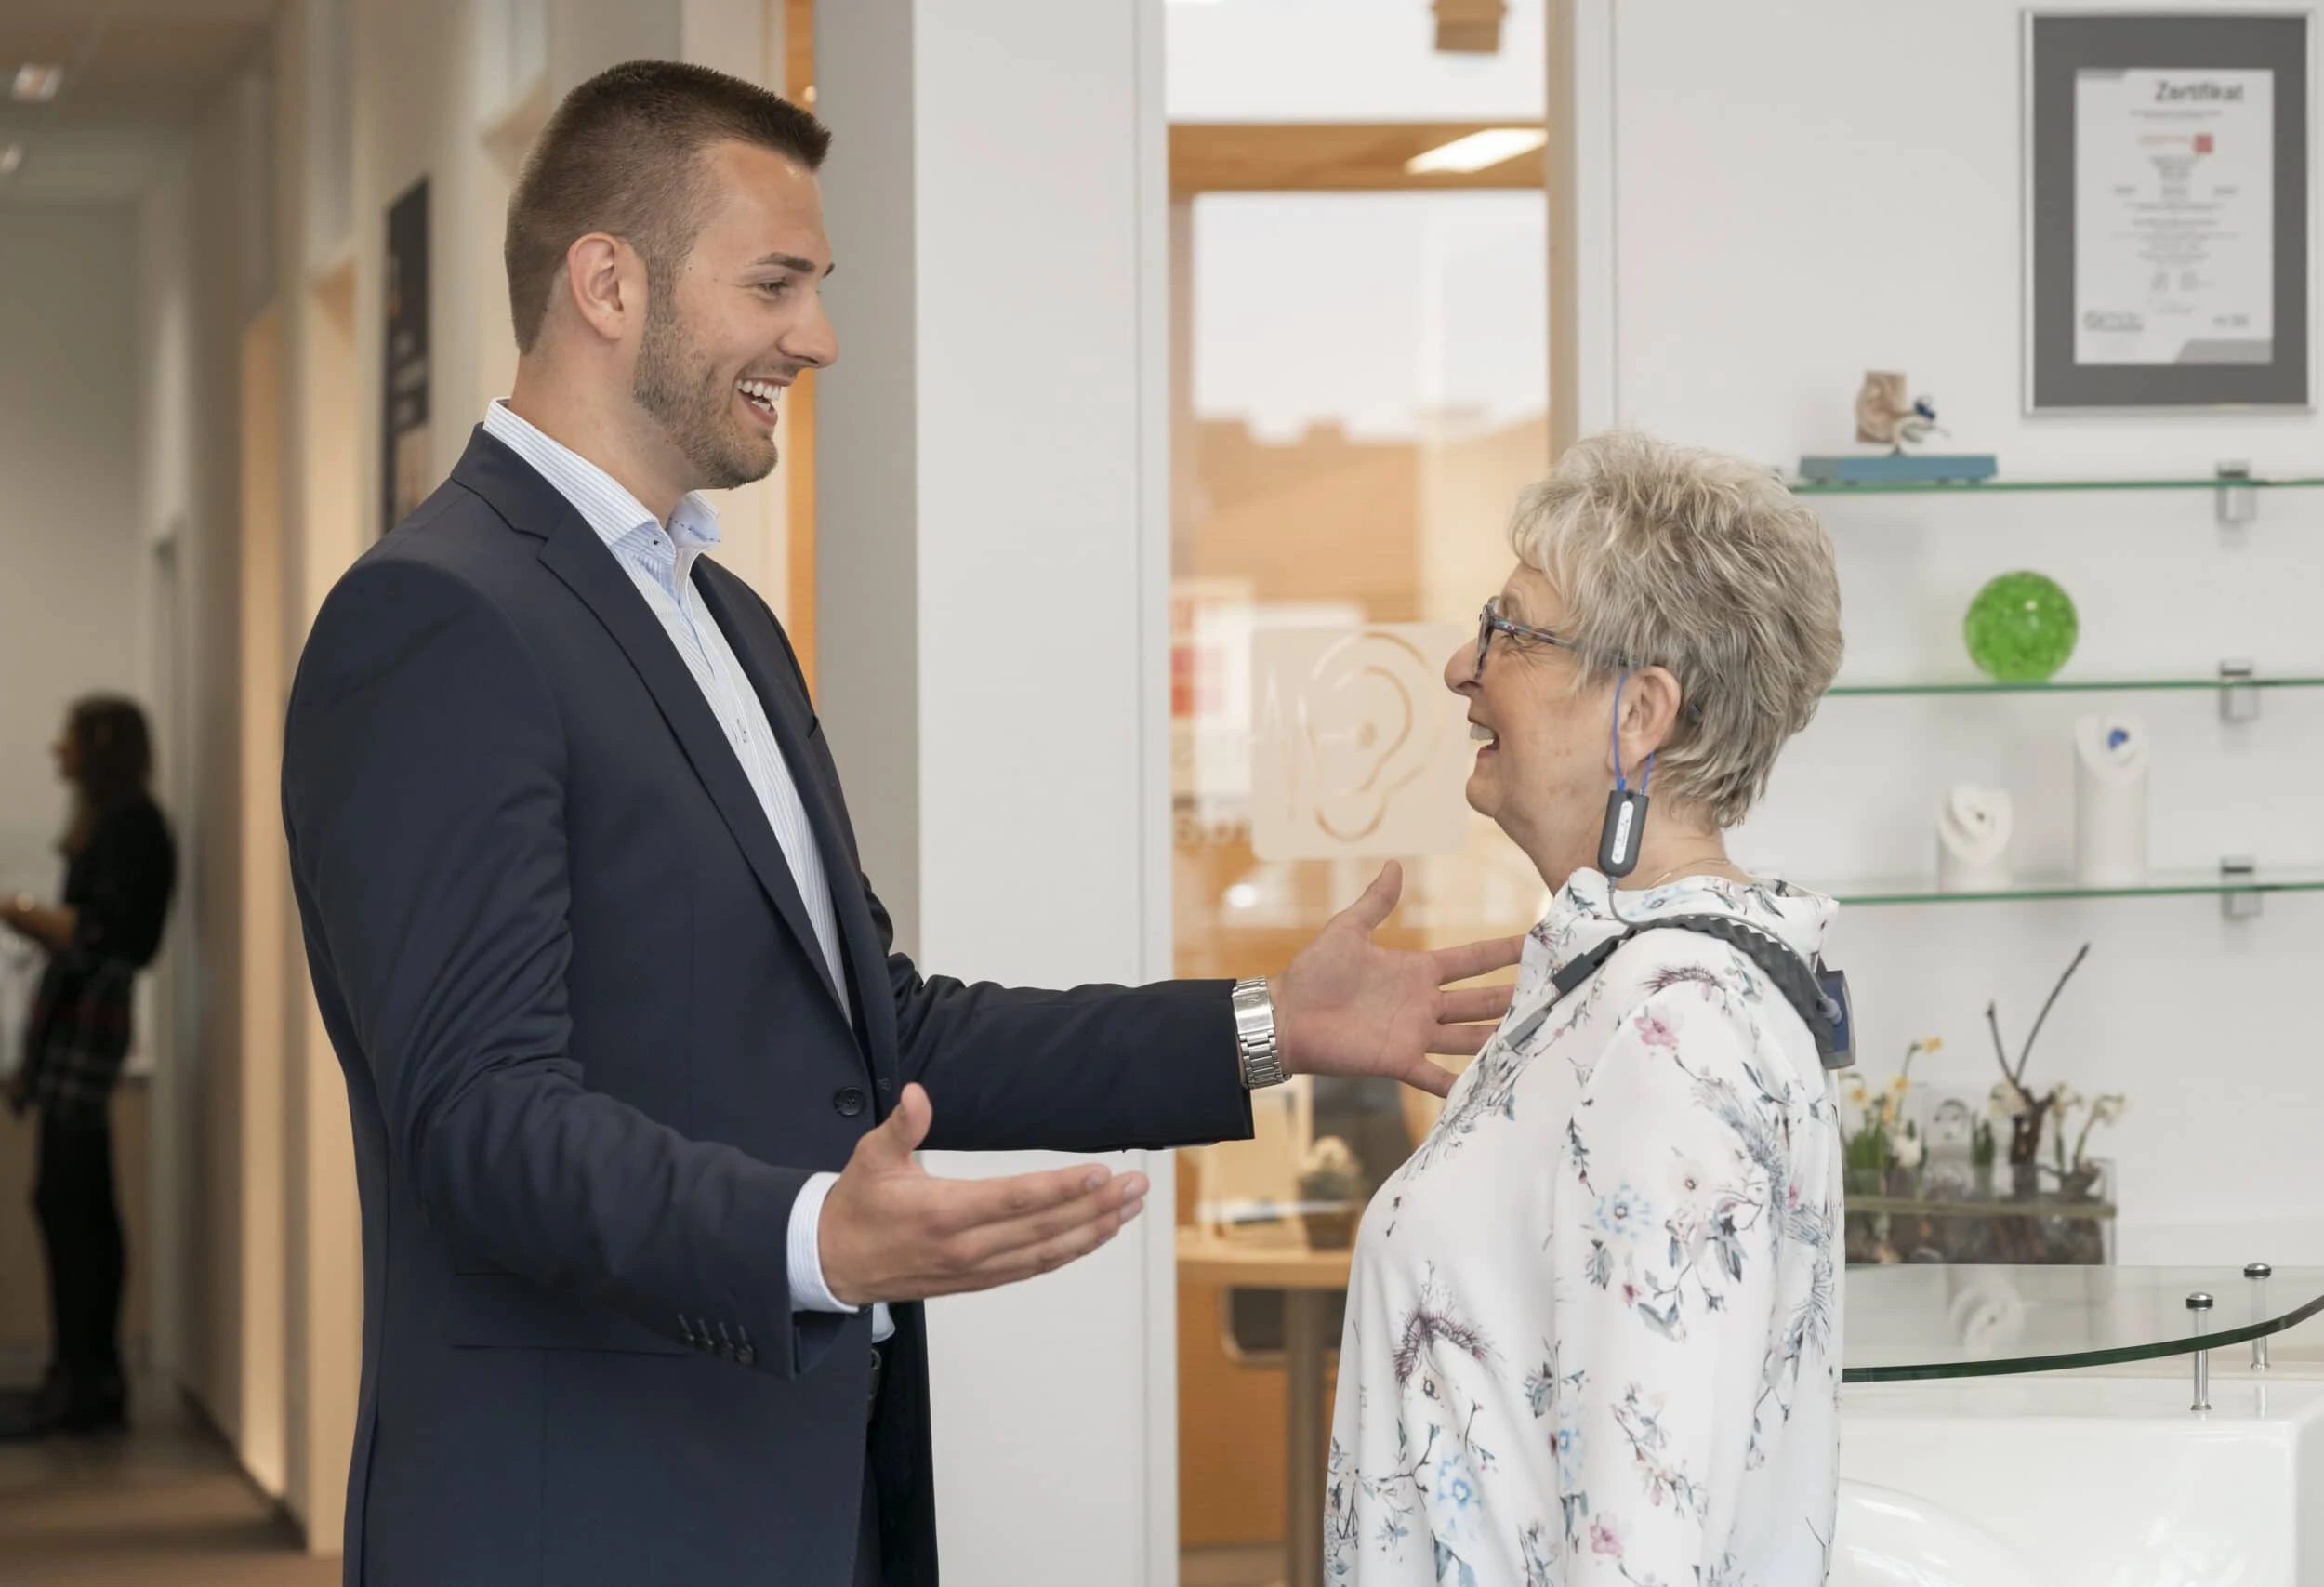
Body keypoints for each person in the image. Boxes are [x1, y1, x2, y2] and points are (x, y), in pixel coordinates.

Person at [281, 60, 1519, 1587]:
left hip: (797, 1503)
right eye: (776, 282)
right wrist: (813, 1238)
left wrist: (1273, 1024)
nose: (819, 335)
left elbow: (888, 1032)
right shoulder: (438, 617)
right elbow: (479, 1117)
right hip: (581, 1521)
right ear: (607, 283)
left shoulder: (722, 619)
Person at [1325, 432, 1847, 1583]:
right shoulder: (1610, 987)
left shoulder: (1673, 1028)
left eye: (1510, 629)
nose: (1464, 665)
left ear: (1641, 713)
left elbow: (1643, 1541)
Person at [1, 697, 176, 1439]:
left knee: (74, 1207)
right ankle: (81, 1375)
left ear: (99, 745)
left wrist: (23, 912)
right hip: (78, 1032)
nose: (56, 749)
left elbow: (111, 936)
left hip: (87, 1031)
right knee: (71, 1202)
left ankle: (85, 1379)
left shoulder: (131, 824)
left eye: (69, 737)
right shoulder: (121, 822)